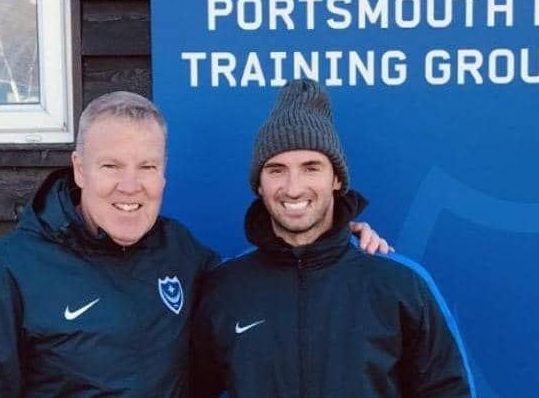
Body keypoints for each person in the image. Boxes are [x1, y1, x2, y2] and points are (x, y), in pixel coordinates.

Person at [0, 91, 389, 398]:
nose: (130, 186)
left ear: (164, 173)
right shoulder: (13, 268)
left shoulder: (182, 253)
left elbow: (265, 280)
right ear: (79, 170)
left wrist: (331, 239)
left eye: (147, 166)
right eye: (111, 165)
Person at [191, 79, 475, 398]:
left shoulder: (400, 284)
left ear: (337, 178)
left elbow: (448, 390)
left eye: (311, 168)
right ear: (259, 184)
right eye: (276, 170)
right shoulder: (225, 288)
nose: (293, 187)